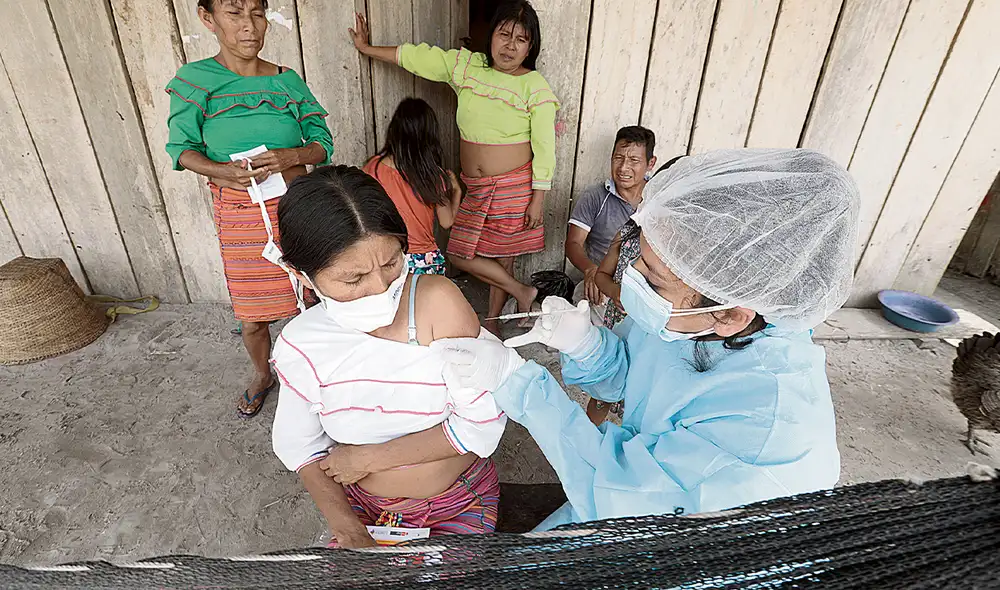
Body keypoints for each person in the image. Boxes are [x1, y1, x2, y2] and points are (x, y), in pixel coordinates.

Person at [433, 149, 860, 530]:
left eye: (652, 281)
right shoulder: (698, 317)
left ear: (731, 313)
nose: (631, 280)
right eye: (639, 261)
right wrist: (588, 346)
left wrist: (521, 385)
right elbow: (636, 379)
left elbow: (619, 496)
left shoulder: (764, 431)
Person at [271, 166, 506, 548]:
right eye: (353, 279)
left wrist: (368, 459)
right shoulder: (301, 345)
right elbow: (302, 449)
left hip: (456, 502)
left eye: (392, 263)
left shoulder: (435, 305)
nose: (381, 288)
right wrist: (349, 531)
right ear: (300, 274)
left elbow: (483, 426)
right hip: (364, 509)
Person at [165, 0, 334, 418]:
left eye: (257, 13)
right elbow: (181, 149)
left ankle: (320, 375)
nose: (249, 26)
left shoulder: (287, 81)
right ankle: (263, 374)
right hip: (241, 217)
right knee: (253, 315)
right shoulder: (194, 82)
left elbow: (322, 143)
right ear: (208, 18)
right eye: (234, 13)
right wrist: (220, 169)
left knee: (315, 300)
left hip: (300, 210)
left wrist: (292, 154)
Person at [349, 0, 559, 337]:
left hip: (513, 186)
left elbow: (545, 148)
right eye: (504, 34)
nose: (509, 45)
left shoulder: (534, 87)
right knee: (461, 253)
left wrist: (538, 198)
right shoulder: (468, 67)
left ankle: (493, 322)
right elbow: (420, 58)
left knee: (503, 256)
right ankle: (523, 292)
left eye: (520, 39)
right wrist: (368, 48)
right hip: (475, 186)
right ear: (491, 35)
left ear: (530, 47)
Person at [565, 126, 658, 324]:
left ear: (651, 163)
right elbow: (573, 243)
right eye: (618, 158)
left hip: (647, 287)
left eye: (634, 160)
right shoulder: (596, 197)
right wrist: (591, 270)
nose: (623, 168)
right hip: (602, 282)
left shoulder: (659, 198)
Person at [363, 98, 463, 276]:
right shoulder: (433, 175)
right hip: (424, 260)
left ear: (394, 130)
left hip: (387, 258)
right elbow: (447, 221)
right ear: (430, 136)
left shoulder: (373, 168)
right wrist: (456, 192)